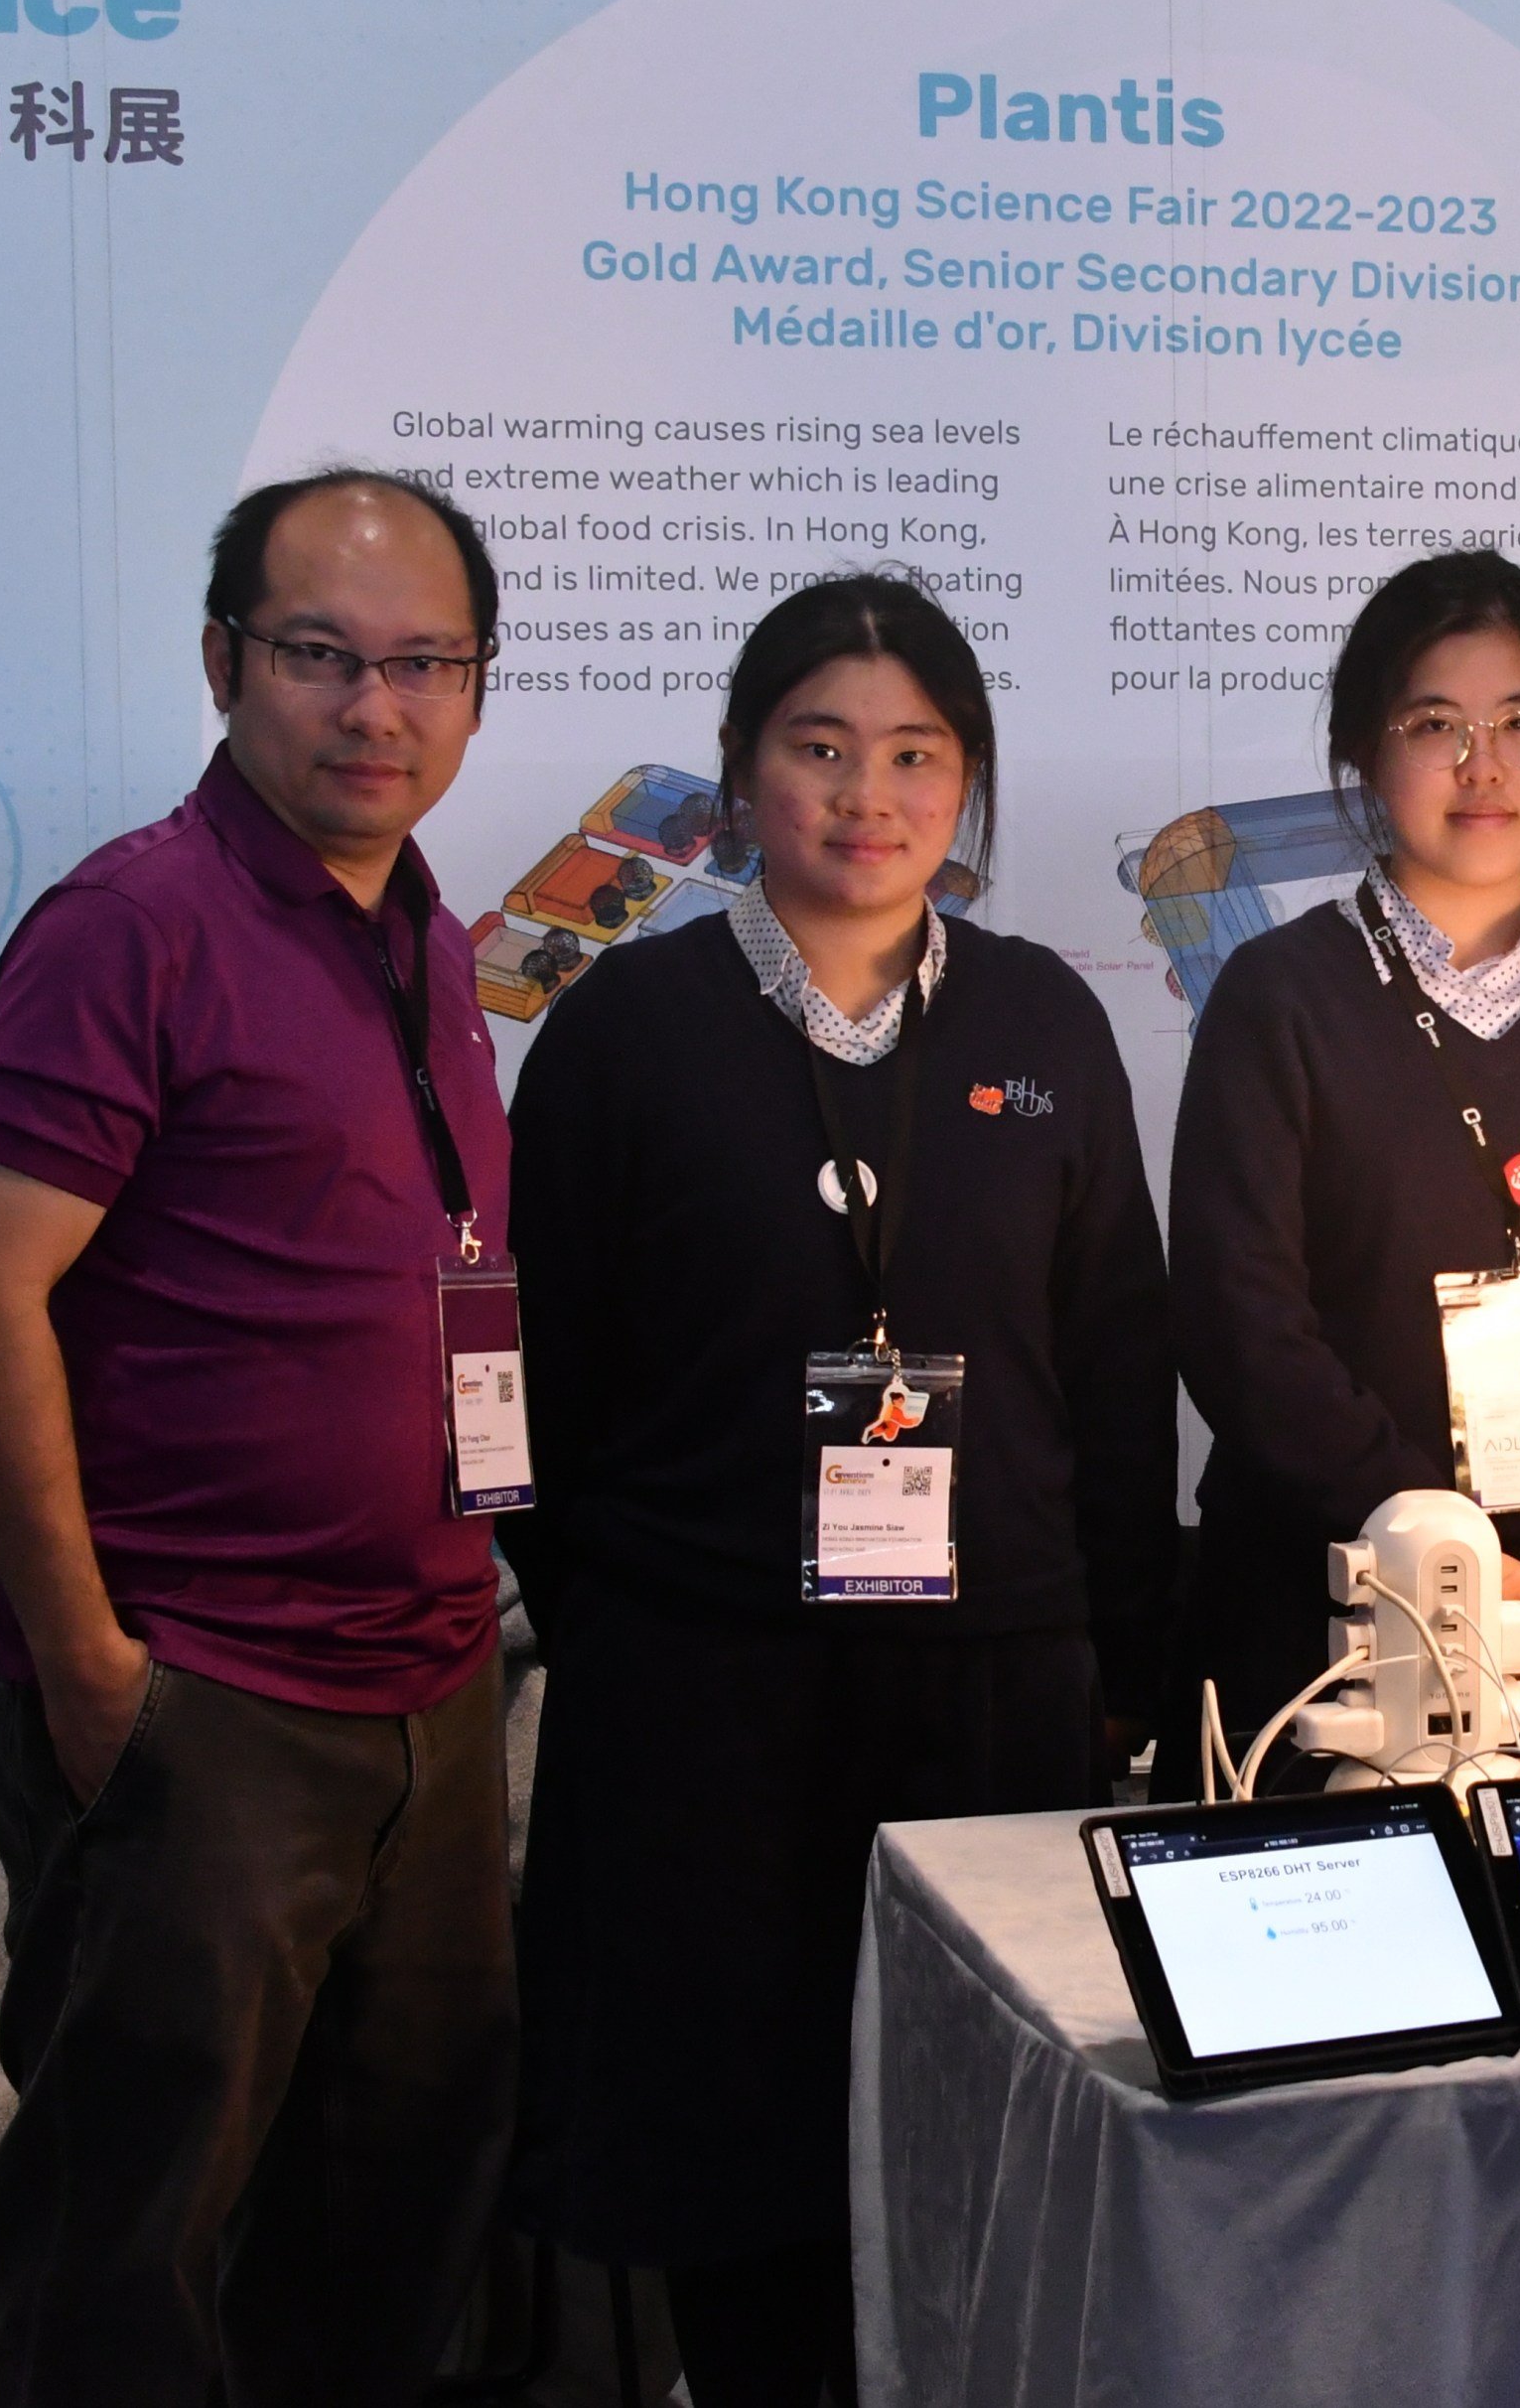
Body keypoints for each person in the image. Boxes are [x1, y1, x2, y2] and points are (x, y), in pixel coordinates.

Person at [501, 574, 1174, 2406]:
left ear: (964, 788)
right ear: (738, 775)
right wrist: (632, 1631)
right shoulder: (624, 1029)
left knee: (990, 2144)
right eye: (818, 748)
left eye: (913, 754)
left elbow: (1114, 1356)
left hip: (989, 1693)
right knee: (745, 2174)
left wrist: (1112, 1644)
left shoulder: (1041, 1019)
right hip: (708, 1698)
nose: (864, 796)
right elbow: (532, 1382)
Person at [0, 472, 518, 2405]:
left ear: (476, 688)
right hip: (208, 1708)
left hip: (425, 1698)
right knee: (117, 2275)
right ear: (221, 663)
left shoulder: (423, 936)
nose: (374, 708)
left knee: (379, 2245)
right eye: (322, 657)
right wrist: (97, 1675)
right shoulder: (135, 924)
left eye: (422, 663)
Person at [1171, 546, 1520, 1777]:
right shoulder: (1281, 997)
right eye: (1436, 724)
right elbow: (1241, 1325)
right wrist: (1449, 1566)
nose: (1484, 766)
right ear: (1367, 757)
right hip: (1336, 1620)